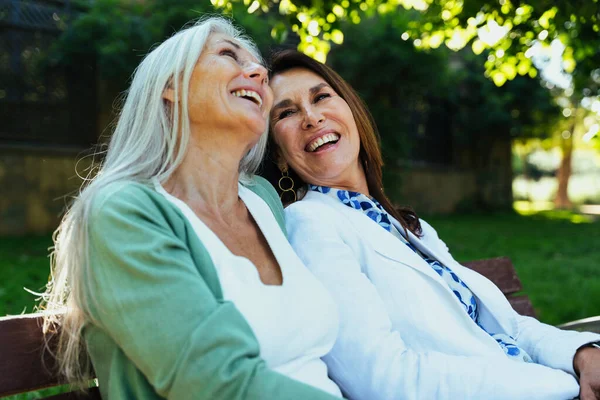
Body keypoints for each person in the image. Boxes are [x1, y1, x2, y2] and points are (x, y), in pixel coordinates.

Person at [267, 49, 600, 400]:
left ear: (351, 111)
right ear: (277, 154)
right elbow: (382, 377)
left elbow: (507, 326)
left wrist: (581, 355)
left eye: (321, 97)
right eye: (287, 113)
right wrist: (559, 384)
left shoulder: (410, 228)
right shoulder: (309, 223)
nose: (311, 117)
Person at [40, 19, 343, 400]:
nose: (259, 73)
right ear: (171, 87)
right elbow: (213, 382)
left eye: (258, 68)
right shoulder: (121, 213)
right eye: (228, 55)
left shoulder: (263, 200)